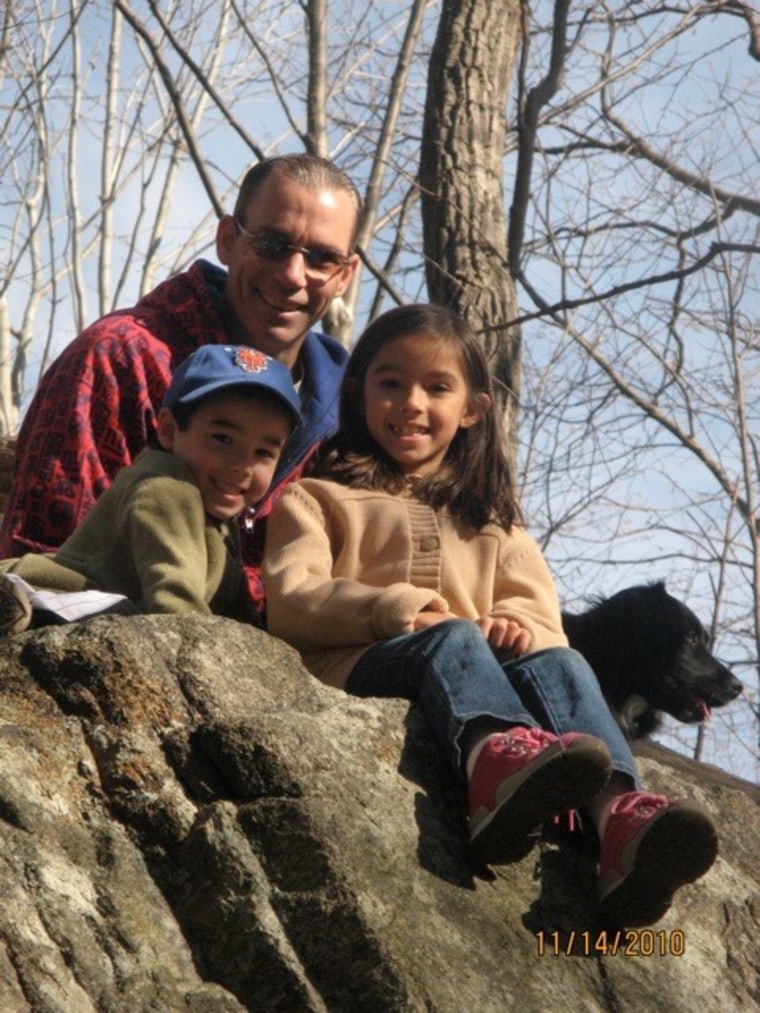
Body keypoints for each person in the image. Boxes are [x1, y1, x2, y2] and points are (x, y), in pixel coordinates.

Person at [262, 303, 718, 928]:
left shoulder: (493, 523)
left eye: (436, 387)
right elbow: (291, 597)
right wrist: (399, 611)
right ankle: (493, 770)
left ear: (472, 408)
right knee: (451, 636)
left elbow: (541, 618)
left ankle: (622, 825)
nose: (410, 403)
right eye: (390, 383)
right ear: (359, 390)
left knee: (560, 660)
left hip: (477, 665)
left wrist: (514, 626)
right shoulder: (318, 498)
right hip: (361, 664)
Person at [0, 153, 362, 613]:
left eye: (321, 258)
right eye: (272, 244)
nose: (292, 275)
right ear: (228, 241)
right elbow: (49, 559)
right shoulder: (118, 358)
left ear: (345, 276)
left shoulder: (352, 413)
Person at [0, 343, 301, 630]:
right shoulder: (166, 487)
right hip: (56, 591)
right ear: (169, 430)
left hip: (114, 606)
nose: (241, 465)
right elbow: (174, 601)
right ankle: (18, 613)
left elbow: (238, 613)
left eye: (263, 452)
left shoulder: (221, 519)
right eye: (223, 439)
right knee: (116, 616)